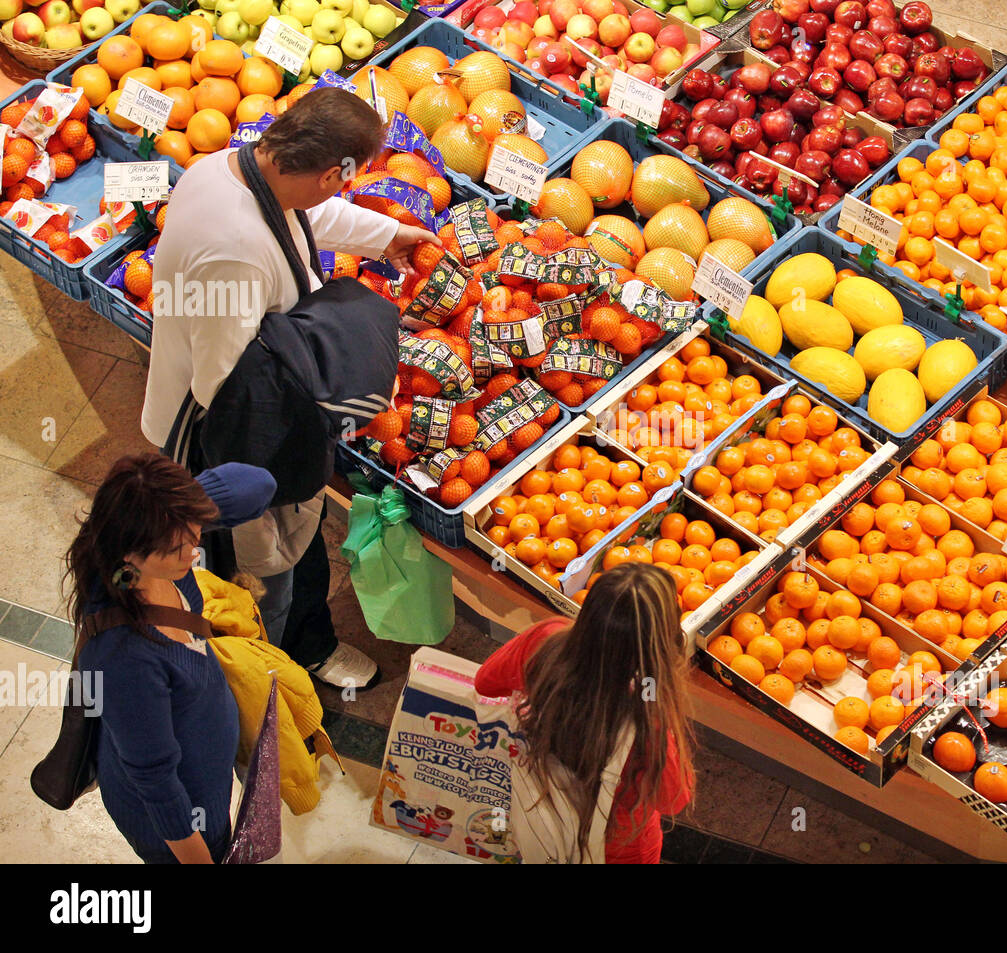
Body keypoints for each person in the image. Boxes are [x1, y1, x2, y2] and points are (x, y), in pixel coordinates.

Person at [140, 88, 439, 689]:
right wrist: (322, 379)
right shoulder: (236, 254)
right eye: (342, 182)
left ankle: (289, 644)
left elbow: (308, 216)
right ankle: (274, 668)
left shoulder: (232, 170)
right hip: (223, 429)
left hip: (236, 394)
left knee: (283, 545)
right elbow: (221, 380)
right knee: (263, 558)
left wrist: (388, 236)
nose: (335, 193)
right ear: (332, 171)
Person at [66, 454, 276, 864]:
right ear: (130, 555)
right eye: (174, 548)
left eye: (192, 533)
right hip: (184, 822)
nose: (193, 552)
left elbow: (260, 483)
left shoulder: (153, 542)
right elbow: (157, 783)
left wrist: (180, 500)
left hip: (203, 773)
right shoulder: (124, 660)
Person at [475, 563, 695, 863]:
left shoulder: (546, 640)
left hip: (543, 814)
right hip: (620, 848)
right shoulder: (647, 715)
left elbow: (486, 682)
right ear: (659, 643)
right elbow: (672, 799)